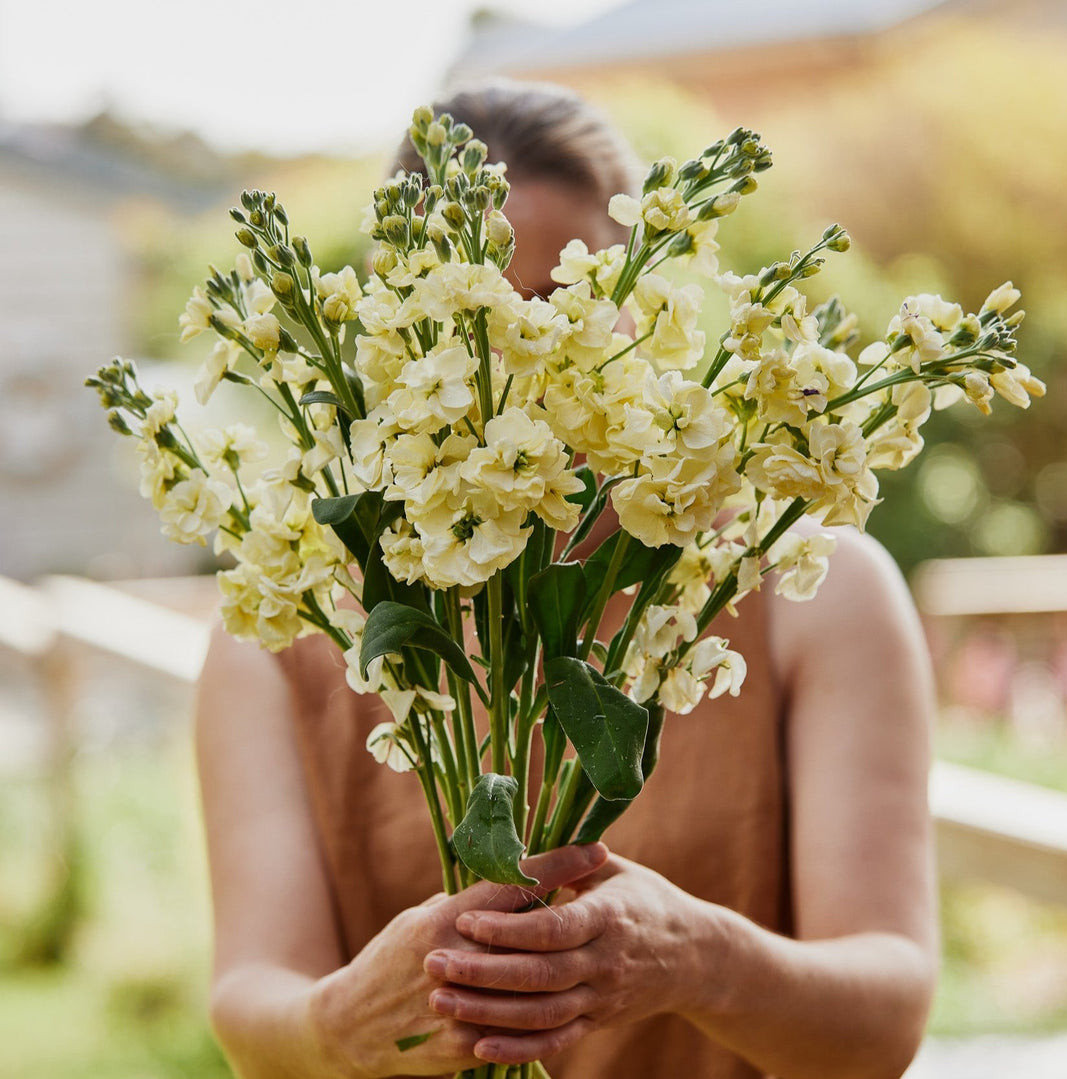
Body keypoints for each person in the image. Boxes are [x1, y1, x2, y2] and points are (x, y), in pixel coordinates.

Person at [196, 80, 938, 1079]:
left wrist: (699, 959)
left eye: (562, 306)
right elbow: (253, 1005)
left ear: (644, 305)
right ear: (396, 325)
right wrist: (347, 1018)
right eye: (480, 315)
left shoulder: (815, 588)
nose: (522, 359)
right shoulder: (288, 619)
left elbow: (885, 1021)